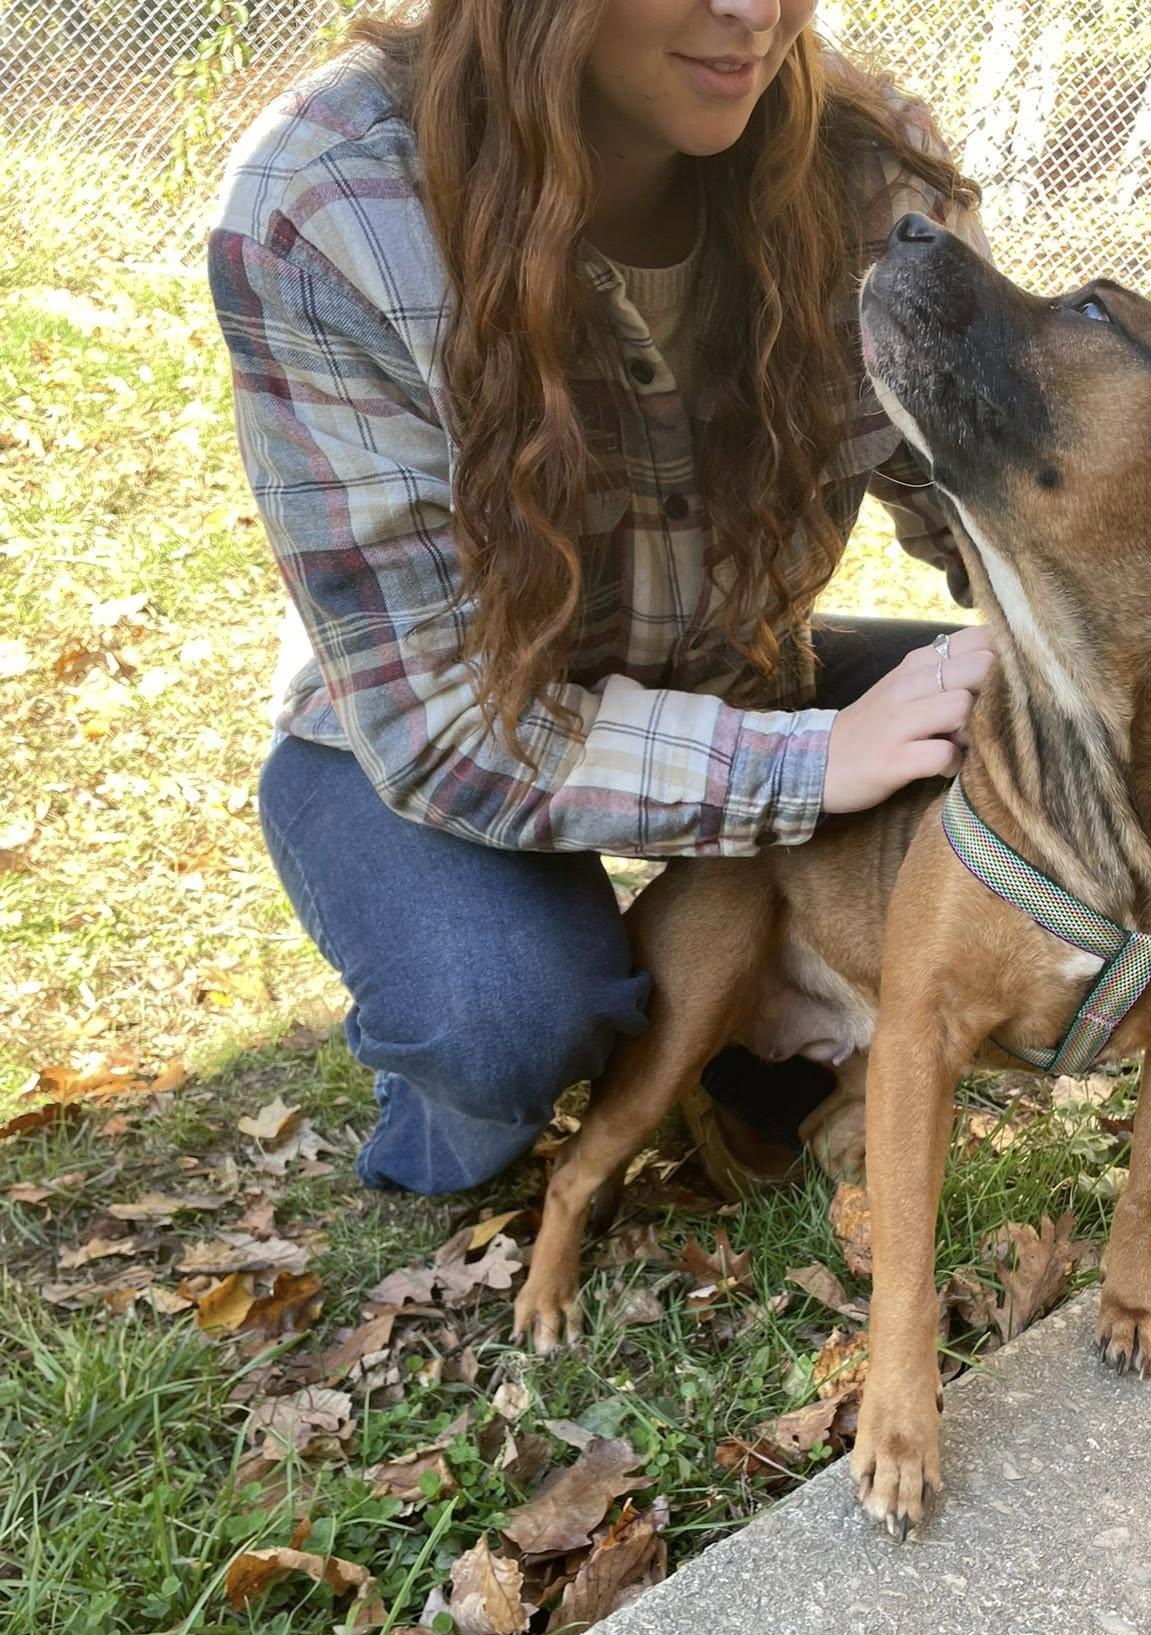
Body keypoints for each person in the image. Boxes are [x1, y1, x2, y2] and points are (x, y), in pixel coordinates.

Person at [207, 0, 995, 1198]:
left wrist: (1091, 639)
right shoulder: (330, 202)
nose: (759, 16)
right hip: (428, 720)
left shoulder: (869, 172)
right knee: (510, 1014)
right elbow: (440, 723)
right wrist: (818, 759)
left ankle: (750, 1067)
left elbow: (987, 494)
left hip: (744, 665)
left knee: (1056, 739)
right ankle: (447, 1134)